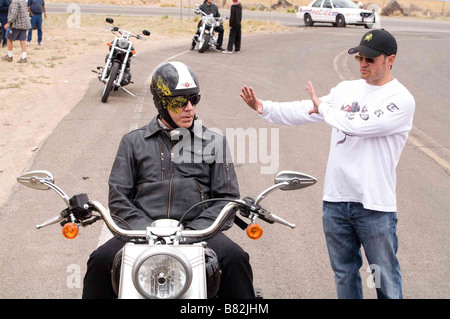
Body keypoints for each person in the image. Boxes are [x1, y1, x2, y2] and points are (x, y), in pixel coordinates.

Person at [240, 29, 415, 299]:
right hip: (336, 201)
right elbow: (305, 108)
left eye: (370, 59)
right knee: (344, 273)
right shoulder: (346, 90)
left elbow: (356, 124)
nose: (363, 64)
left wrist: (323, 108)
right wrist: (265, 107)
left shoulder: (400, 100)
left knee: (383, 276)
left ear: (390, 59)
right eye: (359, 58)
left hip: (375, 205)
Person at [82, 61, 255, 299]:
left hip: (198, 233)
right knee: (100, 261)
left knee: (236, 260)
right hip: (141, 232)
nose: (189, 108)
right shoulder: (133, 142)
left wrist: (193, 232)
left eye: (194, 99)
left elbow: (226, 198)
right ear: (161, 103)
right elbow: (119, 196)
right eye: (178, 102)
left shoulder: (214, 141)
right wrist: (146, 231)